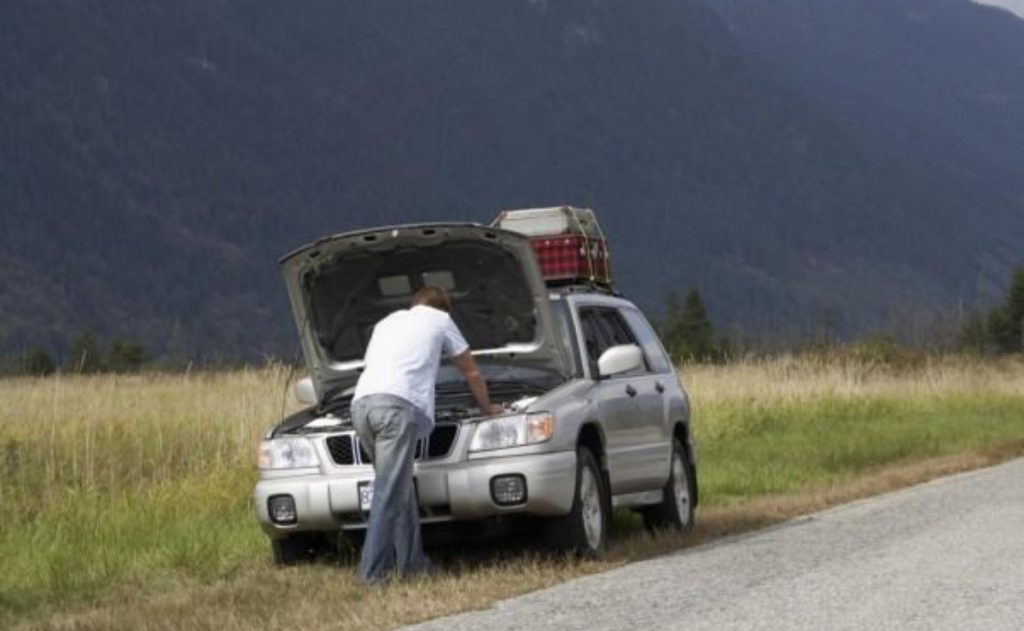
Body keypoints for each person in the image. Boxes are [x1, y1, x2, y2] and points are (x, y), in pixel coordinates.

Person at [350, 285, 503, 583]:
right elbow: (470, 371)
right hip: (396, 408)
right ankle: (372, 576)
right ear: (443, 308)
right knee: (388, 494)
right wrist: (487, 408)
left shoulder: (387, 322)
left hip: (361, 407)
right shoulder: (441, 320)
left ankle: (413, 565)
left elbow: (375, 365)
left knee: (401, 488)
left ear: (415, 303)